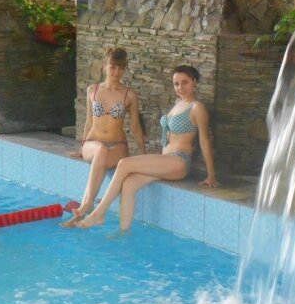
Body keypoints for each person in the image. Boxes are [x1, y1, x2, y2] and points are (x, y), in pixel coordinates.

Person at [77, 65, 218, 230]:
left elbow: (204, 141)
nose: (180, 87)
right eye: (176, 84)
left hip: (179, 160)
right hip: (167, 160)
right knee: (128, 184)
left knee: (124, 164)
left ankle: (98, 214)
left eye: (185, 82)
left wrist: (211, 175)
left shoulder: (197, 107)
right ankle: (124, 232)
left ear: (194, 82)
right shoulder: (178, 103)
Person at [61, 47, 146, 228]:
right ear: (104, 66)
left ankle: (83, 210)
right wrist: (81, 147)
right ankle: (87, 206)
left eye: (121, 67)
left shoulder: (129, 94)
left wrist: (143, 153)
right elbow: (89, 121)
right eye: (113, 66)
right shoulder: (92, 90)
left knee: (103, 152)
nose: (117, 72)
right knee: (100, 150)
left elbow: (135, 127)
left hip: (117, 146)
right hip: (93, 143)